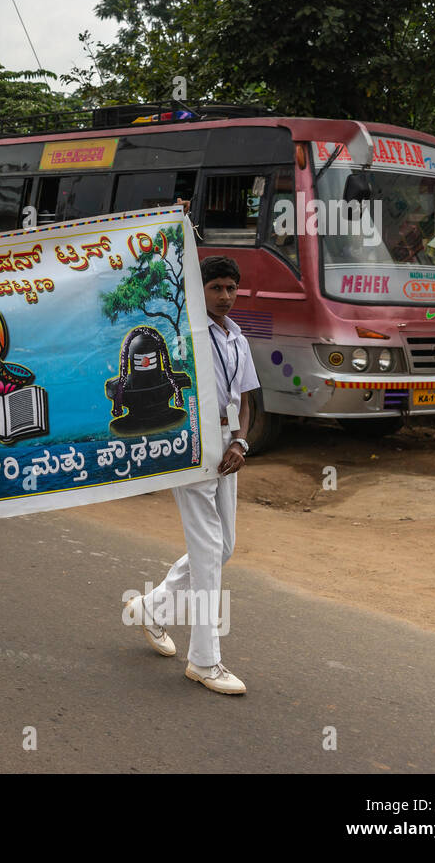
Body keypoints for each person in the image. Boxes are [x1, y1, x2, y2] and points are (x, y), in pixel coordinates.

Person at [124, 255, 257, 695]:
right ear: (201, 291)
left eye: (231, 288)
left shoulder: (237, 338)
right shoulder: (186, 334)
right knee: (206, 552)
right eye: (215, 287)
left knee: (224, 547)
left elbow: (248, 398)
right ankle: (205, 662)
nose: (225, 296)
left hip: (227, 444)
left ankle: (152, 608)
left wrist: (241, 442)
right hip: (194, 443)